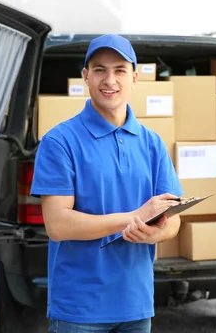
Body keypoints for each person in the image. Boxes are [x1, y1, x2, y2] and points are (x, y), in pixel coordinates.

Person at [30, 34, 183, 333]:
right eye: (99, 69)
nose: (109, 79)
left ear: (135, 78)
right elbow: (58, 224)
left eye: (120, 70)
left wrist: (154, 234)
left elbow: (173, 220)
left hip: (135, 303)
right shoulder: (60, 142)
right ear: (85, 76)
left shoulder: (152, 143)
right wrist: (135, 217)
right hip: (79, 308)